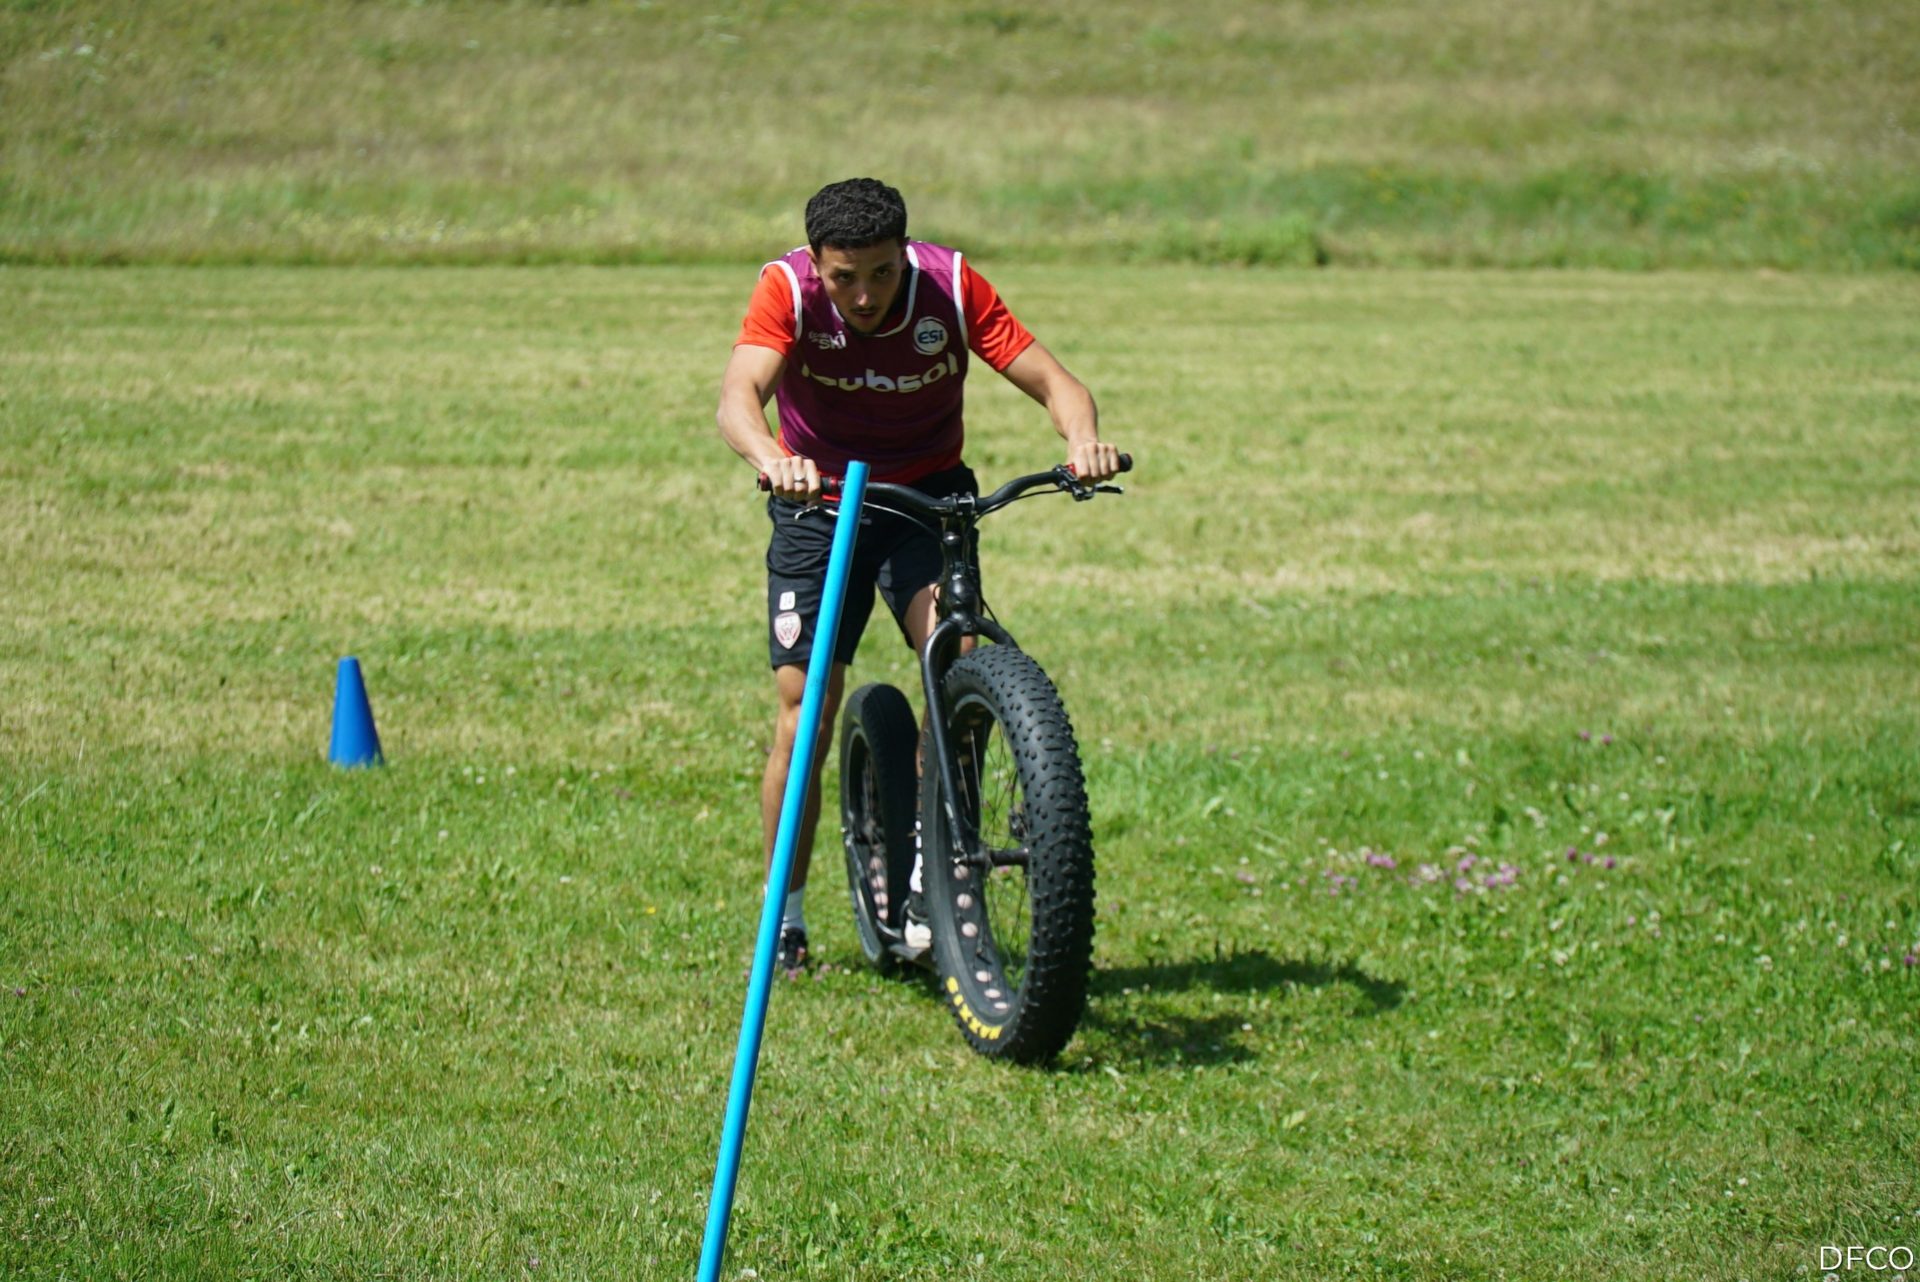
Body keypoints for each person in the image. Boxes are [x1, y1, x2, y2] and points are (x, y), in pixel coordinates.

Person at [715, 177, 1123, 973]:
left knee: (956, 663)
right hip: (818, 501)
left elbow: (1058, 384)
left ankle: (926, 877)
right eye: (845, 278)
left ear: (905, 254)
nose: (865, 296)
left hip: (926, 499)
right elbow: (739, 398)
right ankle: (784, 915)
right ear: (818, 264)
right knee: (806, 714)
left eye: (882, 273)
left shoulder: (950, 285)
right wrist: (772, 457)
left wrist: (1083, 440)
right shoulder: (787, 289)